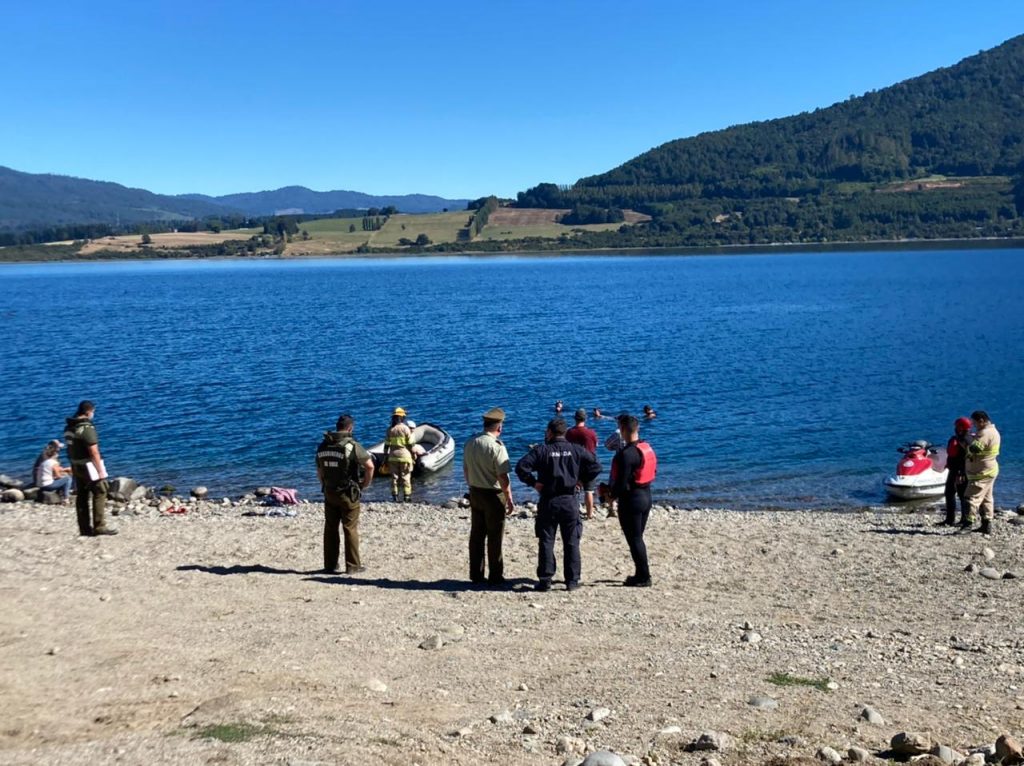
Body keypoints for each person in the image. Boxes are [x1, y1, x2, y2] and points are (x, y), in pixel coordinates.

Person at [515, 418, 601, 592]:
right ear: (565, 432)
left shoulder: (542, 451)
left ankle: (546, 579)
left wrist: (534, 483)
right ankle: (572, 580)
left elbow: (521, 467)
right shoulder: (576, 450)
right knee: (571, 541)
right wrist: (581, 481)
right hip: (569, 500)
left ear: (549, 432)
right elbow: (596, 466)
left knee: (546, 540)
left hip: (549, 500)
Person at [316, 413, 375, 574]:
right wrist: (364, 485)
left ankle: (330, 565)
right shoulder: (351, 446)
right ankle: (353, 566)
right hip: (348, 494)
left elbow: (319, 471)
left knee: (330, 528)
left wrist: (324, 485)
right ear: (350, 428)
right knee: (350, 528)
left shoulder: (323, 446)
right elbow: (369, 466)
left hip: (329, 492)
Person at [463, 407, 516, 586]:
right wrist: (508, 496)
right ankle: (495, 575)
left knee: (476, 535)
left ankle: (476, 574)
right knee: (494, 536)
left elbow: (466, 469)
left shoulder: (471, 442)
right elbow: (503, 476)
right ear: (499, 427)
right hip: (494, 494)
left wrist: (471, 486)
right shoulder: (497, 447)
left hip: (475, 491)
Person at [610, 414, 657, 587]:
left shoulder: (626, 454)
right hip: (647, 496)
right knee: (638, 538)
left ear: (622, 430)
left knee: (635, 539)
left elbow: (621, 484)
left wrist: (610, 495)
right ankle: (641, 573)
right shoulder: (645, 447)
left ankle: (643, 576)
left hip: (632, 500)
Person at [64, 400, 116, 536]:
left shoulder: (69, 427)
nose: (93, 414)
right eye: (93, 412)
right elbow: (94, 451)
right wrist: (101, 471)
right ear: (88, 412)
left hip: (76, 464)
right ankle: (99, 525)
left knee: (82, 495)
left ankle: (84, 527)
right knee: (100, 491)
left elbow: (70, 448)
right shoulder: (86, 429)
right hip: (88, 466)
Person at [962, 410, 1001, 535]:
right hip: (990, 469)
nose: (974, 426)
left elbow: (974, 448)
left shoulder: (984, 433)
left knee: (970, 498)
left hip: (981, 472)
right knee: (986, 498)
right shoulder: (993, 431)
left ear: (982, 421)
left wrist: (966, 439)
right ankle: (986, 524)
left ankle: (968, 524)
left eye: (974, 423)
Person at [566, 409, 599, 519]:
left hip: (575, 464)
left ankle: (573, 511)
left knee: (574, 489)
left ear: (575, 418)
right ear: (585, 418)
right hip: (589, 464)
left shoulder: (569, 432)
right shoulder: (591, 432)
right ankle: (589, 514)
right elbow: (595, 446)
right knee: (589, 490)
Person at [941, 417, 971, 526]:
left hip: (959, 472)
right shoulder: (970, 439)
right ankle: (953, 519)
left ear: (961, 427)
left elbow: (960, 457)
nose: (955, 428)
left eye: (957, 426)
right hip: (959, 471)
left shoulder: (961, 440)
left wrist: (960, 472)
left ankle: (959, 519)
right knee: (953, 493)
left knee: (959, 495)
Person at [383, 406, 414, 502]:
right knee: (405, 476)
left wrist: (385, 457)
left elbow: (386, 445)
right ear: (402, 418)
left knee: (394, 478)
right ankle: (407, 497)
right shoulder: (405, 429)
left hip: (392, 457)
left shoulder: (390, 429)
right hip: (405, 456)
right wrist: (414, 455)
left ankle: (395, 497)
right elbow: (410, 444)